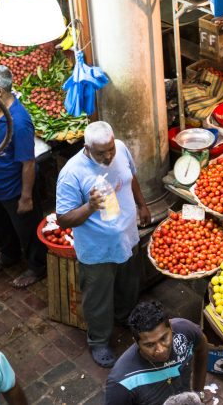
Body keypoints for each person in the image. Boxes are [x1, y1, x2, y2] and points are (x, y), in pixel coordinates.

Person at [56, 121, 151, 368]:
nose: (109, 155)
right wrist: (90, 207)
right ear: (87, 148)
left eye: (110, 149)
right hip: (98, 250)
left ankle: (125, 318)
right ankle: (98, 340)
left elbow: (131, 178)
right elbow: (63, 218)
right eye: (101, 152)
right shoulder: (71, 173)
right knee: (98, 298)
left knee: (128, 285)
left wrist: (142, 205)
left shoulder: (120, 148)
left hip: (128, 238)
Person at [0, 65, 47, 288]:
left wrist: (26, 197)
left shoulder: (19, 122)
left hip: (14, 190)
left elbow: (28, 163)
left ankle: (37, 268)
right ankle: (9, 255)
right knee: (0, 226)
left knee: (28, 231)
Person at [105, 300, 208, 405]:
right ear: (136, 342)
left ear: (171, 327)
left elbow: (202, 347)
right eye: (150, 345)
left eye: (164, 338)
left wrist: (198, 393)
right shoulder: (121, 383)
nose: (161, 350)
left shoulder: (185, 330)